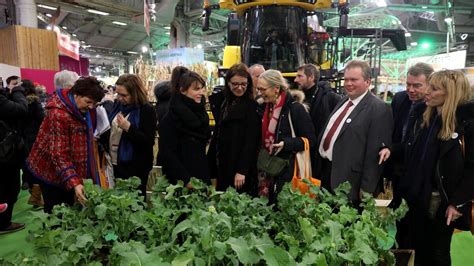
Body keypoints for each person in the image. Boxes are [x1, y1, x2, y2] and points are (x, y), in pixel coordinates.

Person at [395, 70, 474, 265]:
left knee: (437, 253)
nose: (427, 92)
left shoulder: (466, 125)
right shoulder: (424, 116)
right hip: (414, 194)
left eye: (435, 88)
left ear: (451, 93)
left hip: (441, 200)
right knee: (415, 247)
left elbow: (472, 169)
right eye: (428, 86)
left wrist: (457, 203)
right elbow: (411, 154)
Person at [316, 60, 392, 202]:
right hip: (327, 173)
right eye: (346, 79)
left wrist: (366, 190)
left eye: (354, 80)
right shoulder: (344, 101)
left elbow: (373, 154)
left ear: (368, 82)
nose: (348, 83)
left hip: (349, 182)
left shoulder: (378, 108)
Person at [25, 77, 104, 213]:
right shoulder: (58, 114)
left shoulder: (81, 109)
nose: (91, 107)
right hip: (50, 170)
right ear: (76, 95)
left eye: (94, 104)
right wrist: (74, 182)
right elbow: (59, 154)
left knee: (70, 208)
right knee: (57, 212)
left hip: (65, 168)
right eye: (88, 102)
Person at [257, 69, 316, 202]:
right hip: (267, 169)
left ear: (276, 88)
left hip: (288, 172)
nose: (260, 93)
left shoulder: (295, 109)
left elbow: (311, 140)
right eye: (258, 89)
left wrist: (287, 144)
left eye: (263, 89)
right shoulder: (264, 108)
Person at [208, 63, 259, 194]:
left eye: (243, 84)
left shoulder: (252, 107)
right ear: (228, 83)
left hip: (238, 164)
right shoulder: (221, 102)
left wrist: (242, 170)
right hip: (221, 161)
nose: (239, 88)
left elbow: (251, 141)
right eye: (235, 84)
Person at [103, 74, 157, 197]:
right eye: (118, 94)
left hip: (135, 166)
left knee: (134, 202)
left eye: (124, 95)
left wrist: (129, 127)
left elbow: (148, 142)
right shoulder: (117, 106)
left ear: (135, 93)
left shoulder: (146, 110)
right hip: (115, 163)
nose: (120, 98)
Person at [387, 63, 434, 200]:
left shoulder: (433, 107)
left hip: (417, 170)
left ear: (430, 85)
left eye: (417, 85)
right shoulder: (399, 99)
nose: (410, 90)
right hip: (394, 163)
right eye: (408, 84)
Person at [159, 66, 210, 187]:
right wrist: (186, 180)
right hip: (180, 182)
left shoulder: (201, 113)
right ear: (183, 90)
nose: (201, 92)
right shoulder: (171, 118)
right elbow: (168, 154)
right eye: (196, 89)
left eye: (202, 88)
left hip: (200, 176)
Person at [0, 79, 27, 234]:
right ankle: (3, 224)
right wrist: (17, 91)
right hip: (5, 154)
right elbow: (21, 109)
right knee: (7, 189)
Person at [20, 80, 45, 207]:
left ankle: (28, 186)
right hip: (34, 138)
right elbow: (42, 120)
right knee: (37, 167)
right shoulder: (35, 102)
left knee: (27, 165)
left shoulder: (18, 103)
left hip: (21, 138)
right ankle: (35, 196)